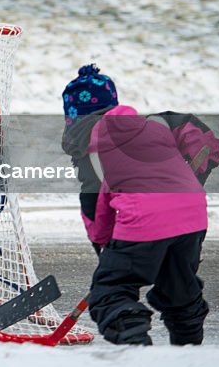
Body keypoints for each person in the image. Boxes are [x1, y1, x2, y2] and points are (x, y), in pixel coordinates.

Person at [60, 65, 210, 346]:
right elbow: (198, 150)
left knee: (111, 291)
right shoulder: (150, 126)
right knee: (178, 286)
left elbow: (94, 204)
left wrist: (104, 245)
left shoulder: (91, 144)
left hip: (146, 219)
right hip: (193, 214)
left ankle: (136, 353)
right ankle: (189, 349)